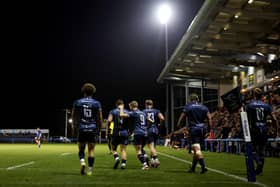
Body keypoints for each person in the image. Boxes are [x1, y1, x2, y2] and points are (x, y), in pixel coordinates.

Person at [71, 83, 103, 176]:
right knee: (91, 150)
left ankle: (82, 162)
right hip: (92, 128)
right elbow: (100, 119)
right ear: (93, 92)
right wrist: (99, 129)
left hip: (82, 128)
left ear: (83, 91)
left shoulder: (77, 102)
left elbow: (73, 116)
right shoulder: (97, 103)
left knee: (81, 149)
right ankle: (89, 170)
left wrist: (74, 126)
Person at [177, 93, 213, 174]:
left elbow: (181, 118)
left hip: (194, 129)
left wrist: (180, 127)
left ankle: (203, 167)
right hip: (203, 129)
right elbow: (210, 119)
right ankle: (193, 168)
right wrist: (209, 130)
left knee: (197, 149)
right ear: (198, 99)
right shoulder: (204, 107)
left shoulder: (188, 107)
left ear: (190, 99)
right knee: (196, 149)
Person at [246, 88, 278, 175]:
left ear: (254, 95)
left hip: (254, 129)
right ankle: (259, 169)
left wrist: (246, 132)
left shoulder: (249, 105)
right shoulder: (267, 106)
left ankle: (258, 163)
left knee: (252, 149)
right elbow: (274, 119)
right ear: (262, 95)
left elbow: (247, 120)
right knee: (262, 150)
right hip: (264, 129)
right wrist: (276, 130)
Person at [120, 100, 150, 170]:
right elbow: (151, 121)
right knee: (141, 148)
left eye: (129, 106)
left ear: (132, 106)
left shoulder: (134, 113)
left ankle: (145, 165)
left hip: (138, 133)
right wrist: (147, 127)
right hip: (145, 133)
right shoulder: (143, 113)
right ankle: (145, 156)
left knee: (138, 150)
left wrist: (121, 108)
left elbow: (121, 115)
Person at [107, 99, 130, 169]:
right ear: (123, 104)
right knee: (123, 149)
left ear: (116, 105)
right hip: (124, 132)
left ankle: (117, 159)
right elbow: (130, 122)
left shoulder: (113, 111)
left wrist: (109, 129)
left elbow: (109, 120)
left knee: (113, 149)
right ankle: (123, 164)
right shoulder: (127, 111)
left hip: (116, 132)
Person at [142, 99, 165, 168]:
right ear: (152, 104)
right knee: (153, 146)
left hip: (149, 130)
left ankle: (156, 159)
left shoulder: (143, 111)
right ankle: (152, 160)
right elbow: (162, 118)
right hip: (156, 130)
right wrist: (160, 125)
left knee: (150, 146)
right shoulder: (156, 111)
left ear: (146, 104)